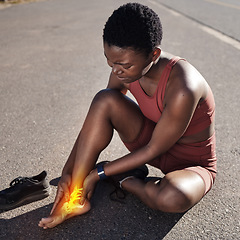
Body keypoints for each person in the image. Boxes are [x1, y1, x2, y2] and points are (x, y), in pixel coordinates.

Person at [39, 3, 217, 229]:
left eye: (123, 64)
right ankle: (76, 197)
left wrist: (97, 174)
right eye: (109, 61)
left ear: (154, 54)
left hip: (191, 163)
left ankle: (126, 179)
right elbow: (98, 114)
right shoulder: (127, 70)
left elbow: (154, 148)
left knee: (172, 197)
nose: (115, 70)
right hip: (150, 145)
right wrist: (69, 172)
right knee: (104, 99)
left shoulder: (184, 86)